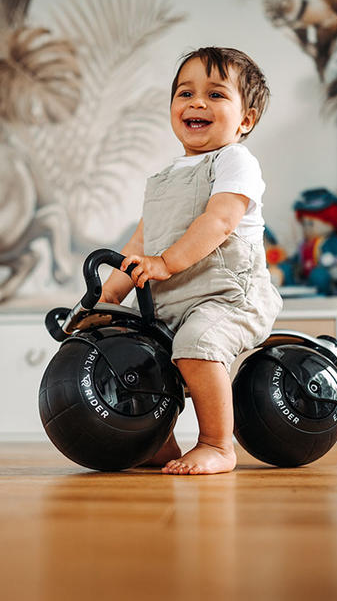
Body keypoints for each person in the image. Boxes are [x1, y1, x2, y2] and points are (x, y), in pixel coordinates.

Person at [98, 47, 283, 475]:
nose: (197, 102)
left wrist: (163, 263)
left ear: (245, 120)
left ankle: (217, 444)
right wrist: (107, 297)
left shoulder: (236, 161)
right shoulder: (163, 179)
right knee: (135, 357)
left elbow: (218, 222)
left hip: (229, 295)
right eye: (186, 93)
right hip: (170, 301)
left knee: (196, 346)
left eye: (216, 95)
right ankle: (155, 441)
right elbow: (139, 244)